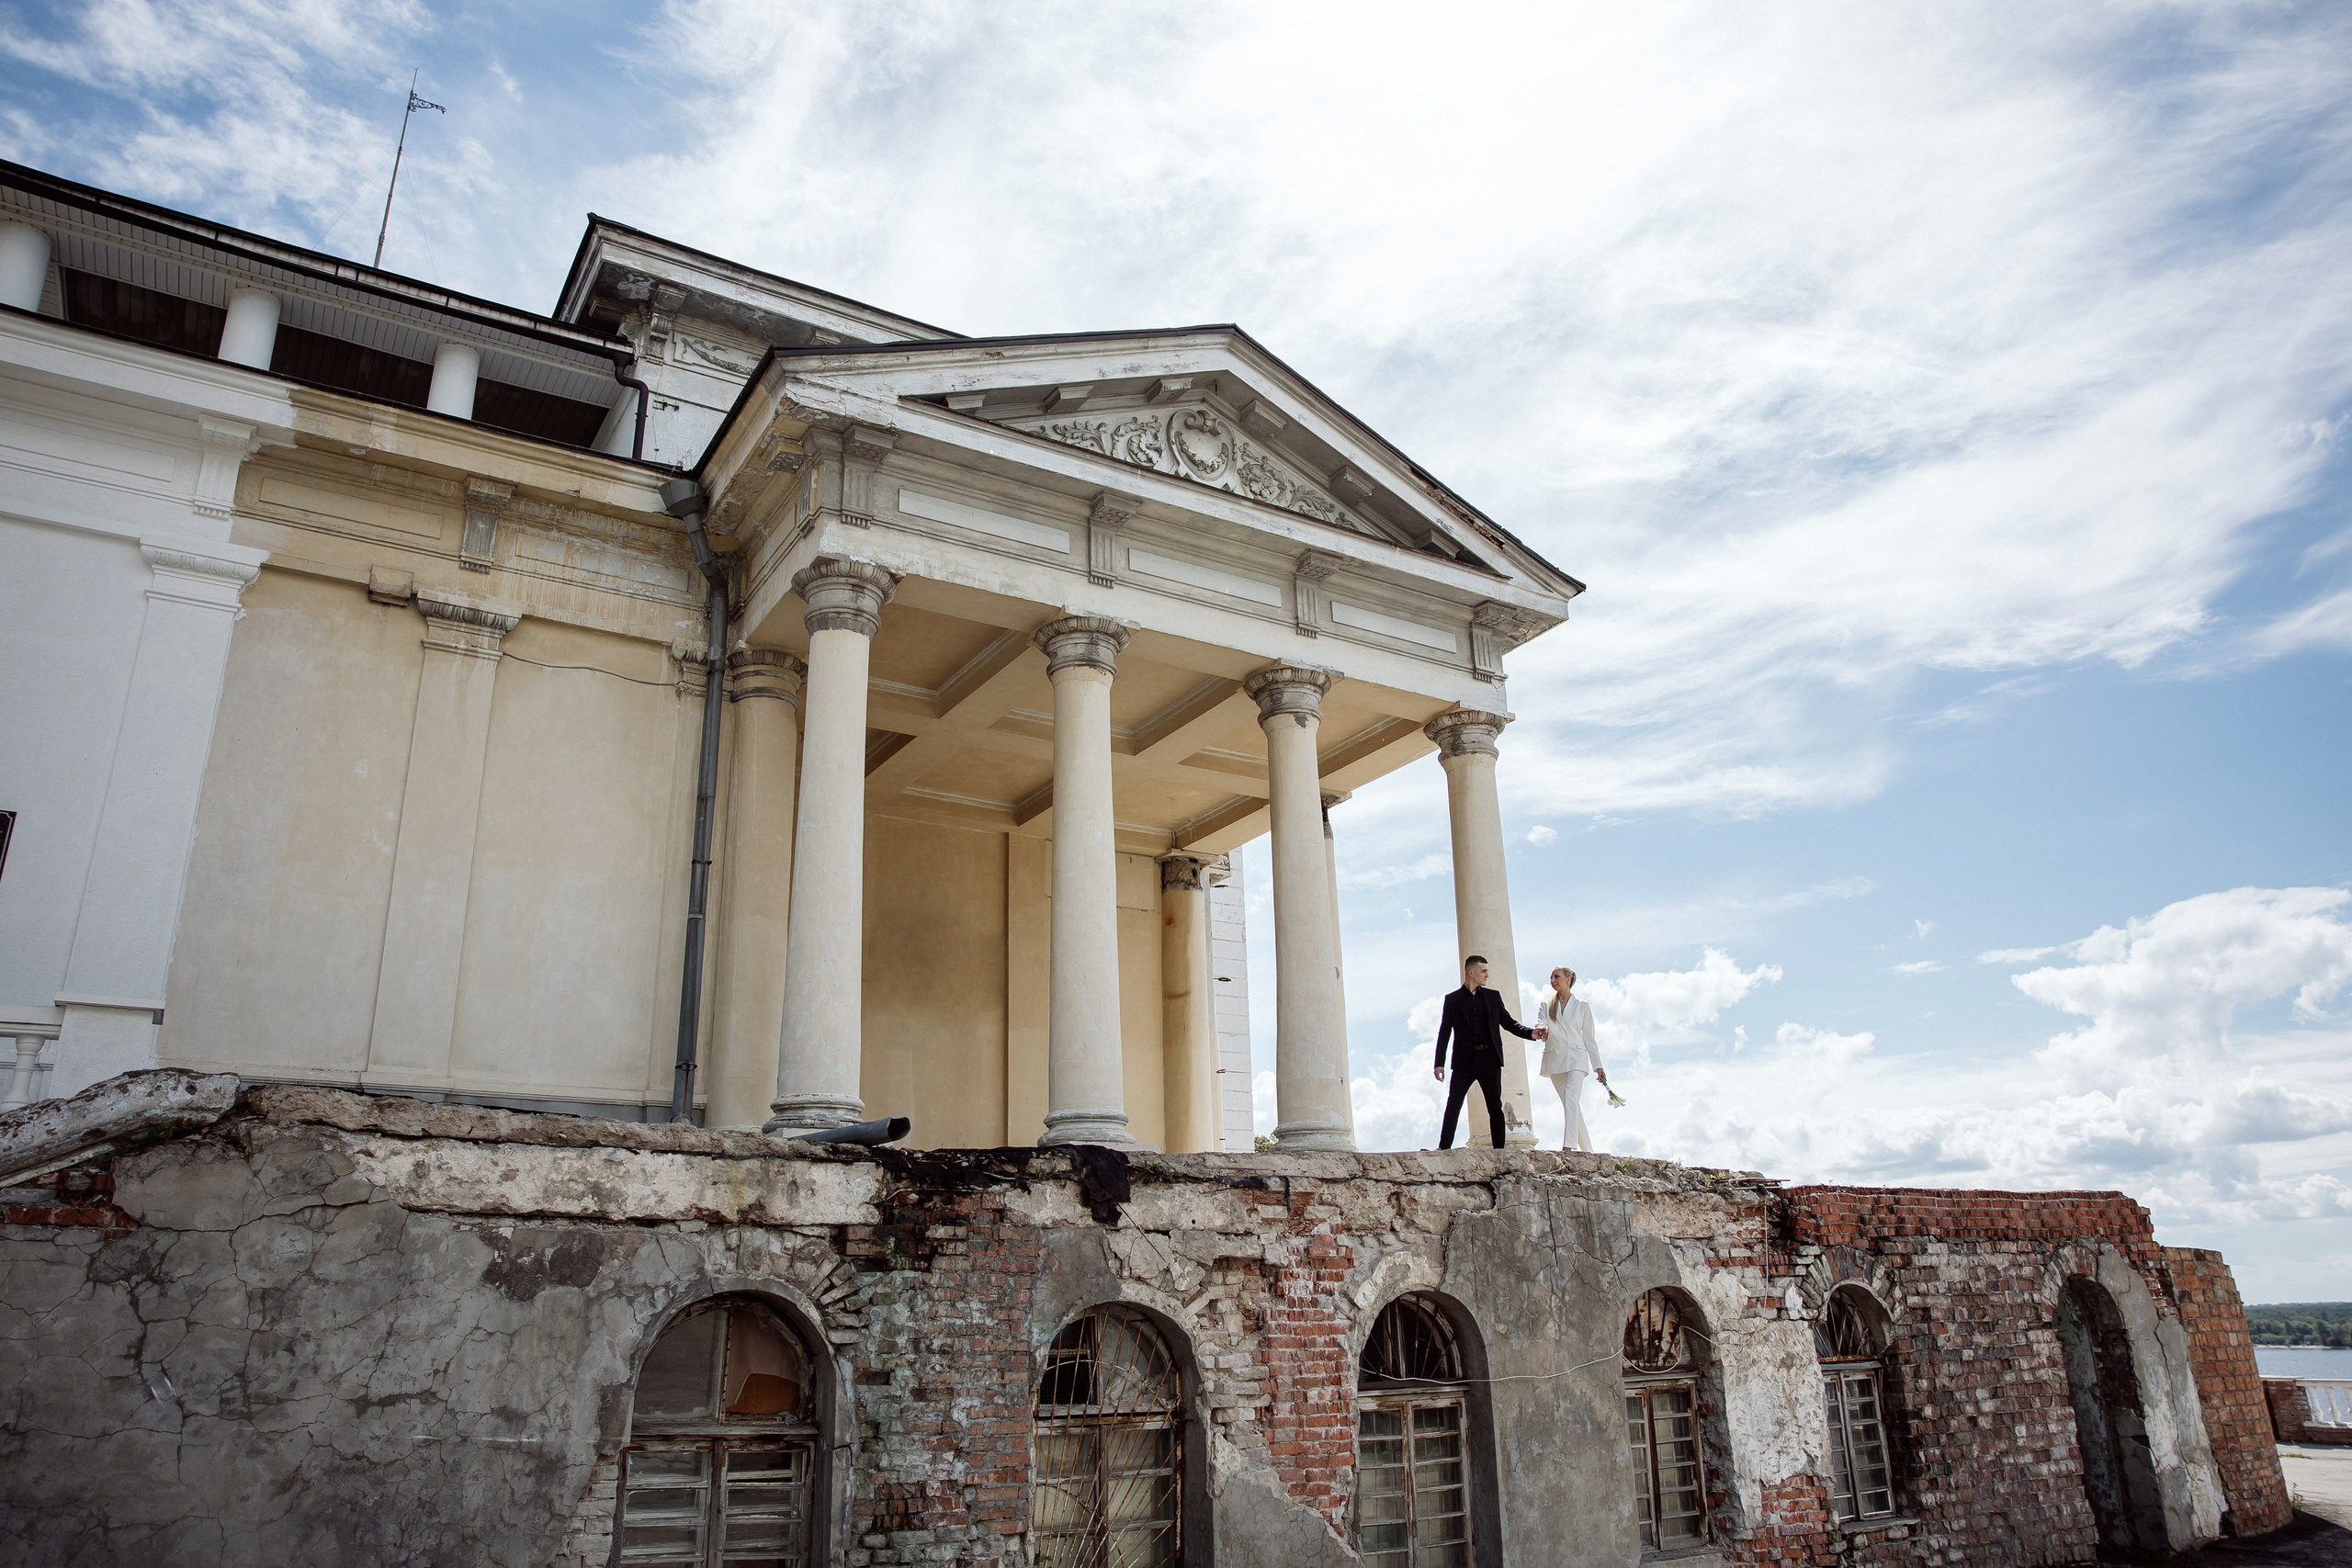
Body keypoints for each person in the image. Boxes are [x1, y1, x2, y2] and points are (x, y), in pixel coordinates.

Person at [1432, 954, 1544, 1150]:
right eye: (1483, 971)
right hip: (1464, 1062)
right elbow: (1444, 1032)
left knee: (1495, 1107)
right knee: (1453, 1105)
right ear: (1471, 973)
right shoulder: (1452, 1000)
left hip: (1489, 1060)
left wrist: (1531, 1033)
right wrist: (1439, 1063)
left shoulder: (1493, 997)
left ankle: (1499, 1152)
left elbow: (1509, 1023)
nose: (1487, 975)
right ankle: (1443, 1148)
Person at [1540, 965, 1608, 1152]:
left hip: (1577, 1058)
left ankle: (1568, 1147)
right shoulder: (1546, 1005)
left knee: (1571, 1096)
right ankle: (1588, 1152)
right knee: (1571, 1104)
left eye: (1557, 976)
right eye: (1551, 977)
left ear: (1568, 979)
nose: (1553, 980)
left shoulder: (1582, 1006)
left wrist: (1598, 1066)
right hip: (1554, 1059)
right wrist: (1542, 1031)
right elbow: (1541, 1023)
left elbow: (1589, 1038)